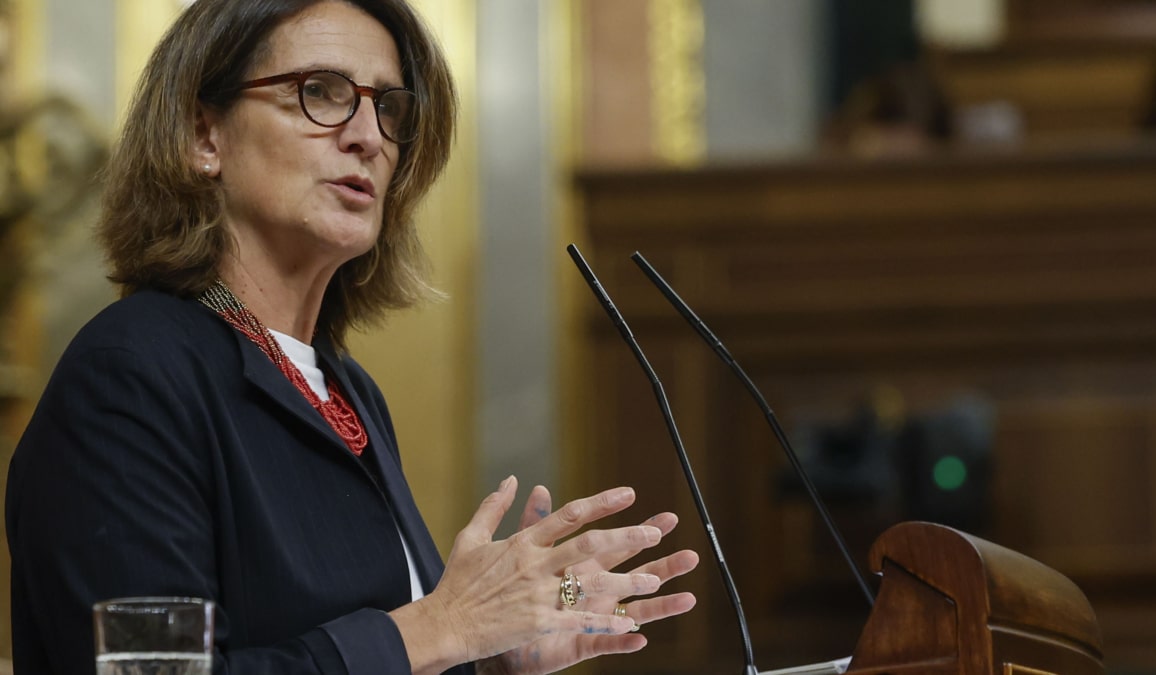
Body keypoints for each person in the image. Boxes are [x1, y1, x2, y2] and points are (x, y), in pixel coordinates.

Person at [3, 1, 700, 673]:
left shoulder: (344, 389)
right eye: (321, 92)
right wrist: (445, 626)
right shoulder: (131, 373)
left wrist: (489, 654)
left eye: (387, 107)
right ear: (203, 136)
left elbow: (392, 648)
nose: (368, 134)